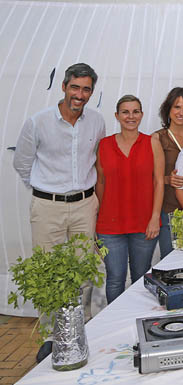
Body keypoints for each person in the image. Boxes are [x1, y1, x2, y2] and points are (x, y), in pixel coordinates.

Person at [13, 63, 105, 325]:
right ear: (63, 86)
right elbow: (22, 163)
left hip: (85, 205)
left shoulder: (97, 121)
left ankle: (83, 325)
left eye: (86, 89)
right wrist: (46, 189)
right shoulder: (38, 122)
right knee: (47, 271)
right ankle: (51, 334)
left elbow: (97, 160)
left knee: (85, 269)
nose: (80, 94)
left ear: (91, 92)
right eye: (75, 87)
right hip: (47, 207)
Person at [95, 95, 164, 304]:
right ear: (117, 115)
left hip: (144, 225)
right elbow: (100, 183)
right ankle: (115, 329)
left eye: (135, 111)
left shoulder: (152, 143)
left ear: (141, 115)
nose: (130, 116)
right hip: (109, 226)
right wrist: (98, 219)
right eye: (125, 112)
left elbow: (159, 182)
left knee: (140, 278)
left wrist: (154, 218)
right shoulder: (104, 145)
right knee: (115, 279)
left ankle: (138, 325)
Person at [153, 87, 183, 258]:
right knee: (171, 261)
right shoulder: (158, 138)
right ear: (168, 109)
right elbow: (147, 176)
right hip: (170, 211)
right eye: (176, 107)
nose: (181, 112)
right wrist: (167, 179)